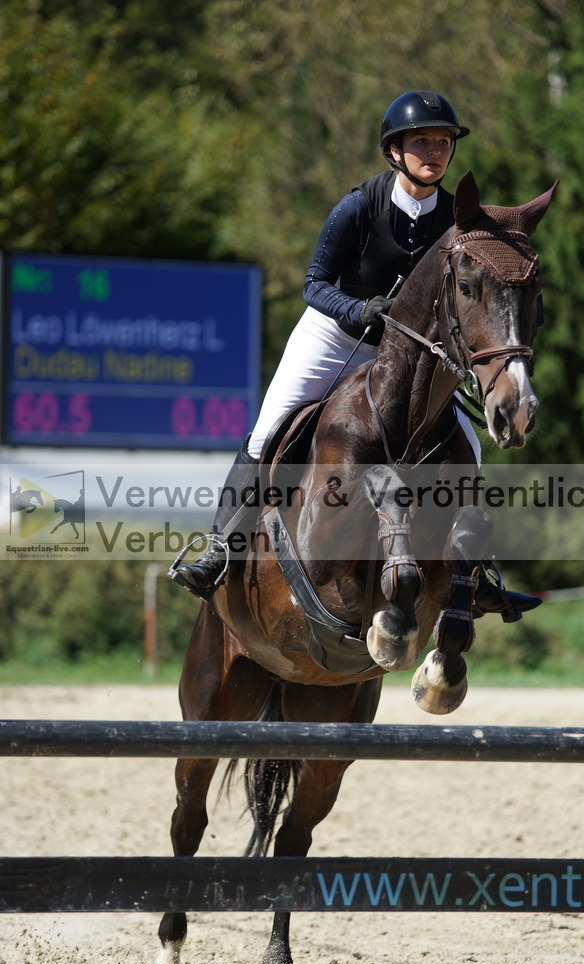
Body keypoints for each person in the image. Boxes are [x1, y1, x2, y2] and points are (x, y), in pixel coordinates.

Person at [169, 89, 541, 623]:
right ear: (395, 151)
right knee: (268, 426)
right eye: (422, 141)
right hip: (338, 337)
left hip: (412, 355)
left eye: (443, 141)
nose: (435, 151)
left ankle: (475, 574)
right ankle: (220, 549)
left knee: (471, 448)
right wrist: (357, 308)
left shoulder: (458, 223)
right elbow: (314, 284)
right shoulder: (360, 206)